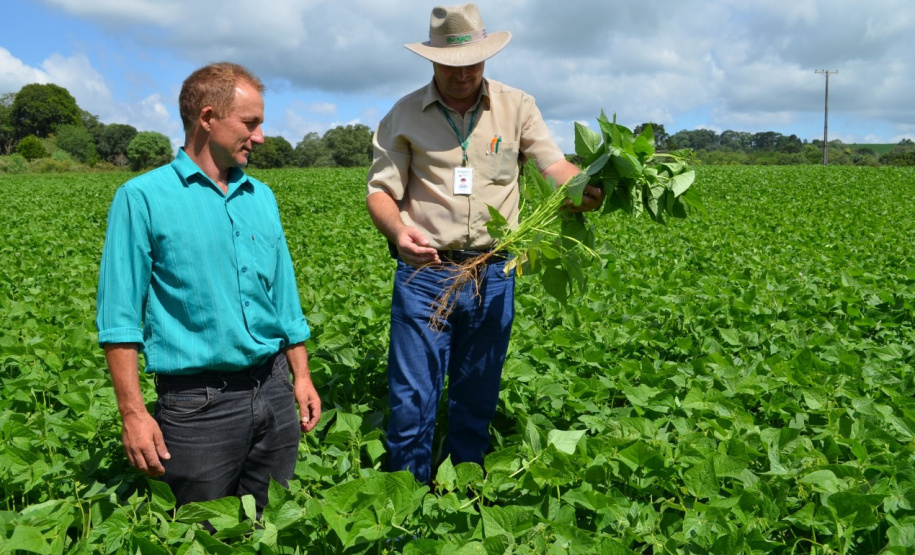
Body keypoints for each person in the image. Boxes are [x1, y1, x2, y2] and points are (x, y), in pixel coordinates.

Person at [366, 3, 605, 483]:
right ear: (433, 58)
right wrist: (397, 231)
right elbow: (381, 192)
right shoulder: (404, 114)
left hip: (494, 272)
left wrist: (582, 189)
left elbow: (553, 166)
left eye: (473, 62)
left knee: (477, 392)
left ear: (487, 56)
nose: (463, 74)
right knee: (413, 398)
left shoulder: (517, 106)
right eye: (452, 64)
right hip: (425, 273)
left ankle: (464, 496)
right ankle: (404, 502)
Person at [96, 62, 321, 513]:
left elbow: (284, 297)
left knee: (272, 524)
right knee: (202, 533)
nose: (259, 137)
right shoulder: (142, 197)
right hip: (199, 407)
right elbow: (119, 319)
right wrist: (134, 414)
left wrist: (301, 376)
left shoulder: (261, 196)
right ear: (207, 117)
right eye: (250, 123)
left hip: (274, 389)